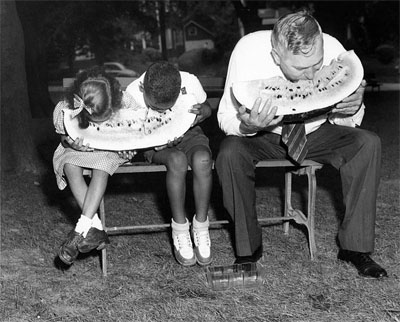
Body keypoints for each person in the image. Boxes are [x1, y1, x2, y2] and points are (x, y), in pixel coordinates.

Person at [216, 10, 387, 278]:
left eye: (316, 65)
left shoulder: (333, 48)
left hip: (317, 133)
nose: (310, 76)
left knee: (367, 143)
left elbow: (349, 122)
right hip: (265, 136)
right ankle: (247, 249)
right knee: (229, 153)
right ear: (276, 56)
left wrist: (352, 108)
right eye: (299, 67)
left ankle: (355, 248)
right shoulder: (247, 51)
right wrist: (250, 125)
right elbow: (225, 118)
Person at [126, 61, 213, 266]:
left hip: (190, 133)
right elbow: (134, 134)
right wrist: (160, 139)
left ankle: (201, 225)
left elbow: (207, 107)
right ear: (142, 89)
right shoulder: (131, 93)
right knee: (177, 160)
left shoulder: (190, 82)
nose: (161, 111)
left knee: (203, 159)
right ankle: (180, 228)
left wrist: (205, 112)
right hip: (151, 140)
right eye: (155, 107)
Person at [53, 67, 138, 265]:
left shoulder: (126, 103)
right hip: (79, 150)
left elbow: (135, 133)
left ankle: (80, 230)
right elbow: (63, 138)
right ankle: (96, 229)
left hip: (111, 151)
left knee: (102, 165)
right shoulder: (66, 108)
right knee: (69, 164)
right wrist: (70, 142)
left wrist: (130, 149)